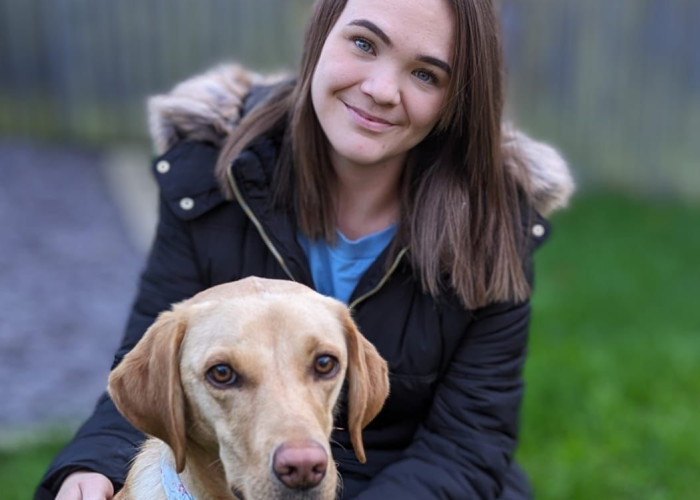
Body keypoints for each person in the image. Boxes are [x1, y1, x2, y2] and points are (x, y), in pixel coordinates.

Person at [37, 0, 573, 498]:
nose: (382, 89)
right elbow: (151, 365)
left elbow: (469, 443)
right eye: (364, 44)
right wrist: (93, 464)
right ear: (320, 37)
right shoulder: (212, 178)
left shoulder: (494, 228)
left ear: (455, 103)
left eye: (425, 74)